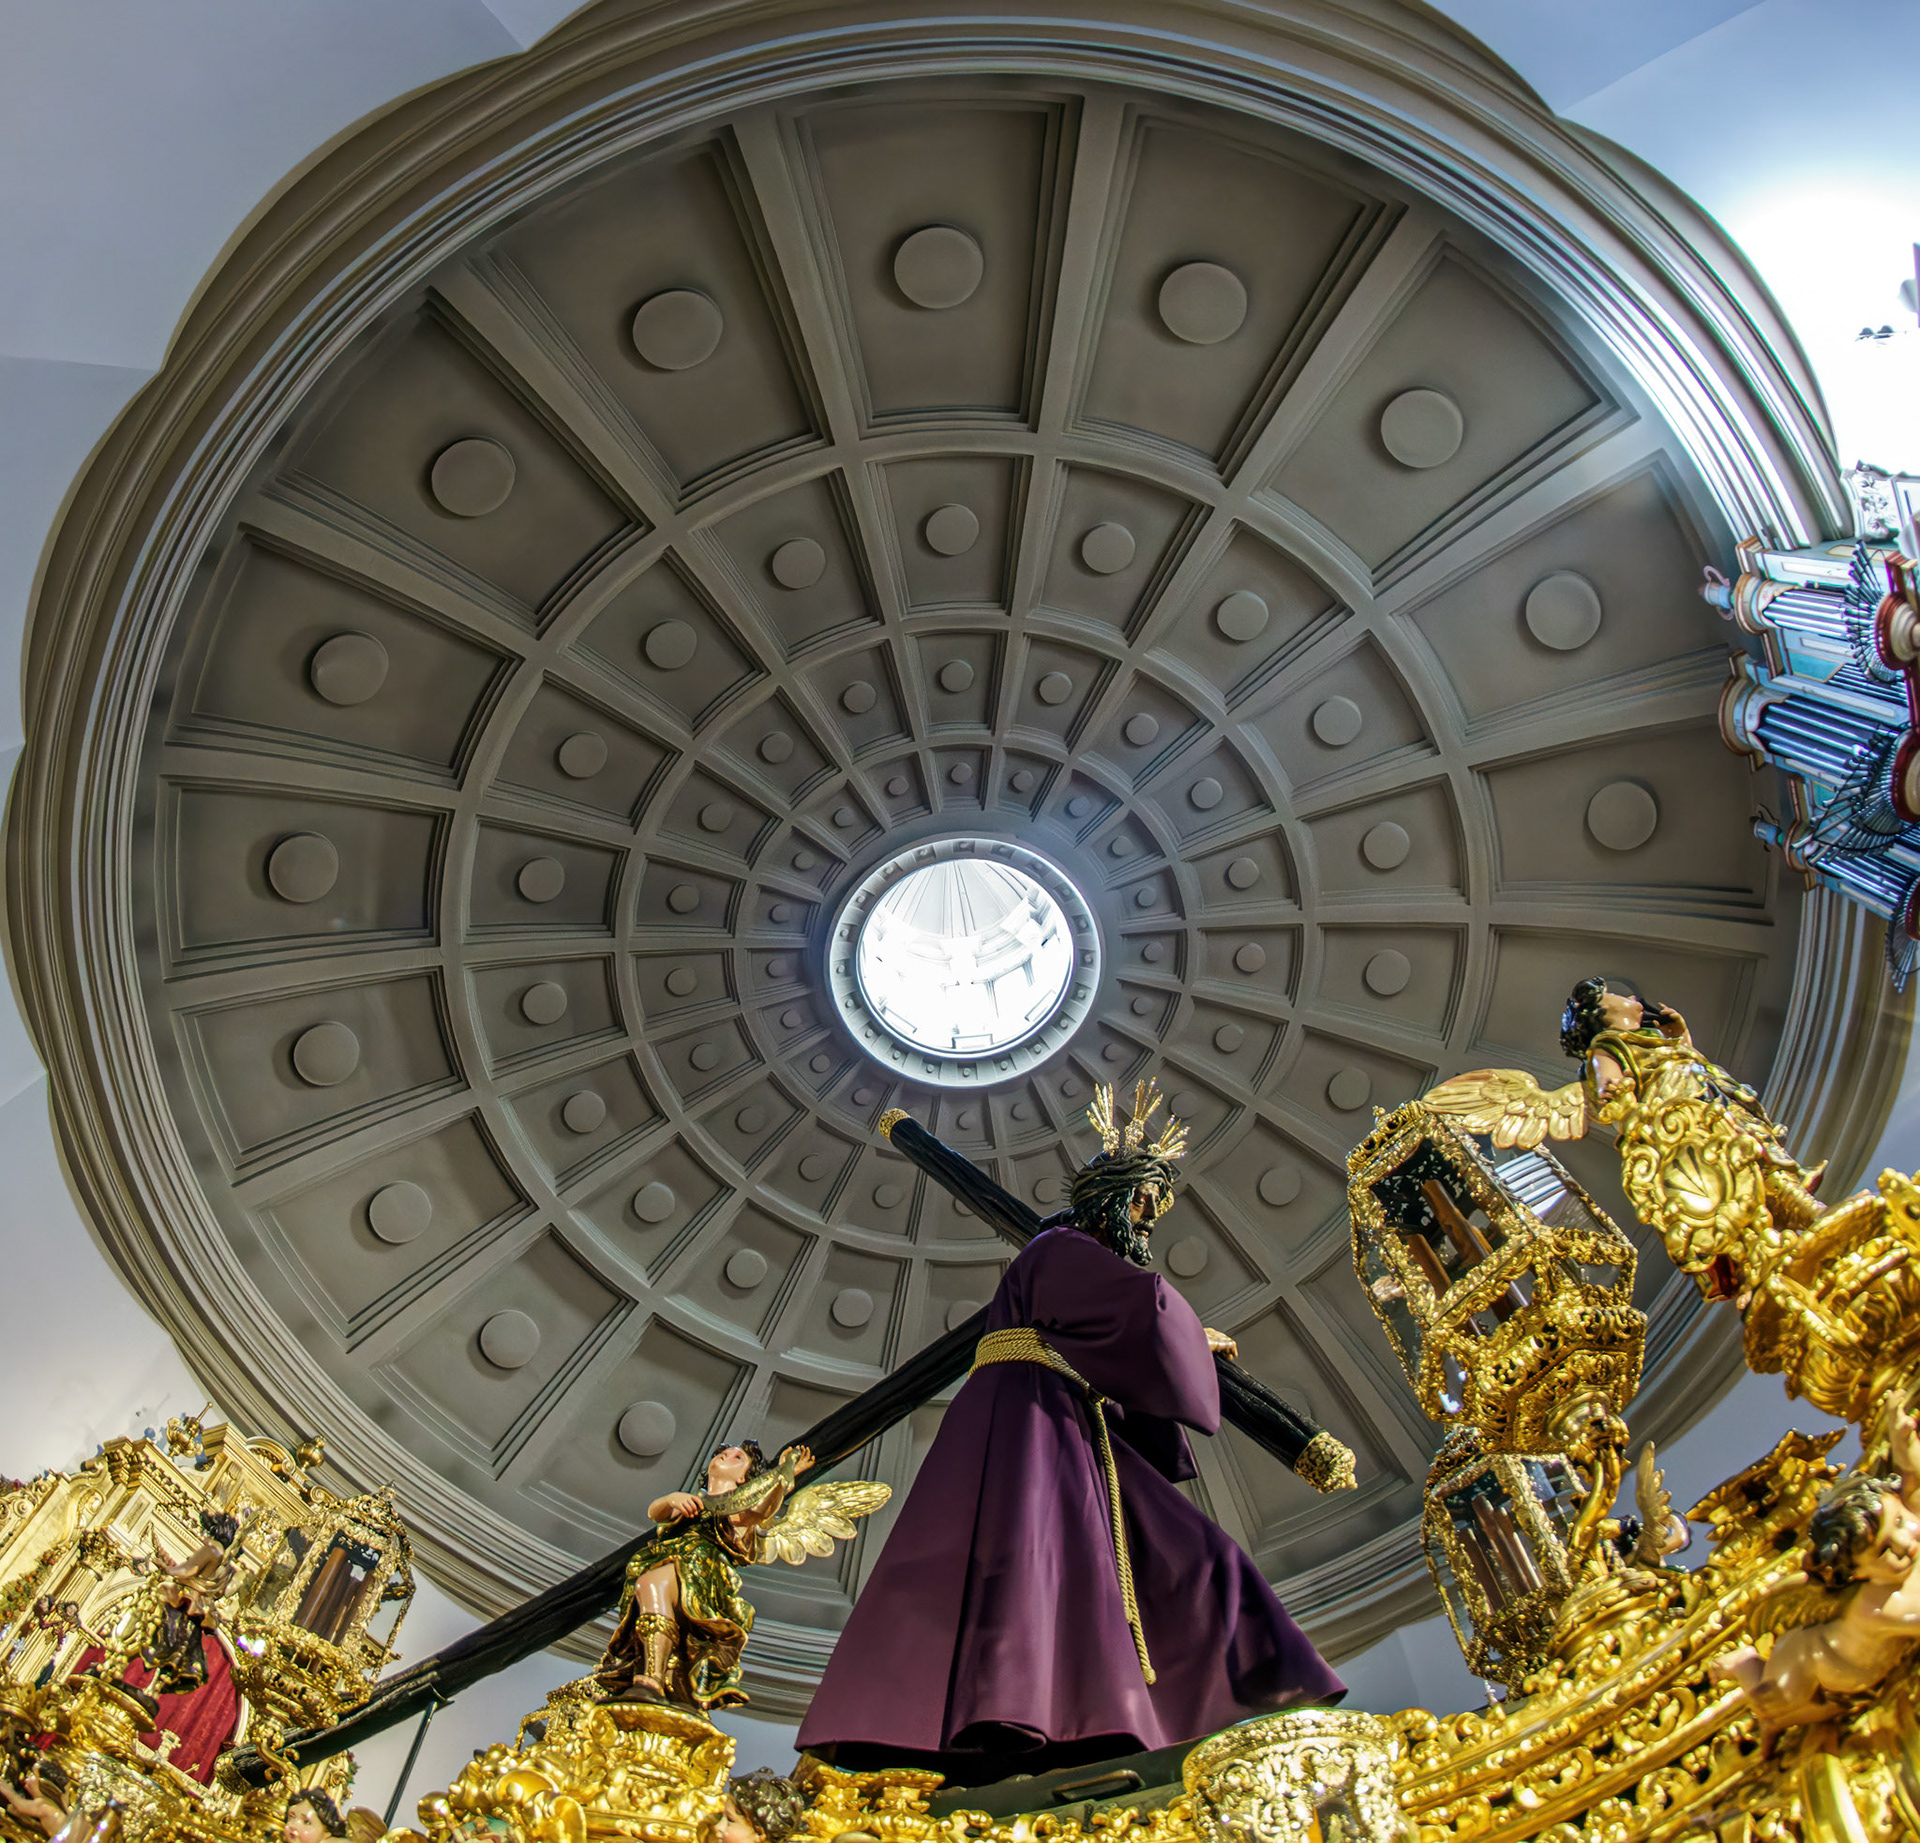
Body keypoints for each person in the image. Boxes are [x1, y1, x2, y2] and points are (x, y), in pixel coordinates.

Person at [795, 1080, 1344, 1779]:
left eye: (1157, 1206)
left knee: (1194, 1558)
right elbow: (1136, 1310)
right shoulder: (1057, 1248)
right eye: (1144, 1201)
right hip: (1029, 1422)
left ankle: (1211, 1701)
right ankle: (1035, 1714)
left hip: (1077, 1424)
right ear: (1113, 1196)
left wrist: (1170, 1346)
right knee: (1034, 1558)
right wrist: (1186, 1334)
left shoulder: (1074, 1254)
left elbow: (1121, 1346)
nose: (1149, 1220)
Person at [596, 1441, 814, 1709]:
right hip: (668, 1559)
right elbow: (656, 1512)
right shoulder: (695, 1503)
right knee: (650, 1590)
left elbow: (761, 1510)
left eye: (737, 1457)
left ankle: (649, 1681)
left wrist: (785, 1472)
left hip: (703, 1572)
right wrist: (671, 1499)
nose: (726, 1455)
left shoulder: (738, 1511)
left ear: (744, 1478)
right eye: (723, 1453)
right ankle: (650, 1678)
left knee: (652, 1584)